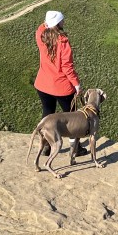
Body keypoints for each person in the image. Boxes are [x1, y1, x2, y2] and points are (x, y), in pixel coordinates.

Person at [34, 10, 86, 156]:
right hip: (62, 87)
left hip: (43, 84)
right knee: (72, 119)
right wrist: (77, 85)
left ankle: (46, 146)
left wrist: (47, 23)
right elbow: (67, 67)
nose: (64, 22)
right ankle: (75, 149)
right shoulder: (63, 42)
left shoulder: (40, 35)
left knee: (47, 114)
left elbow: (41, 27)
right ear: (57, 23)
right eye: (62, 20)